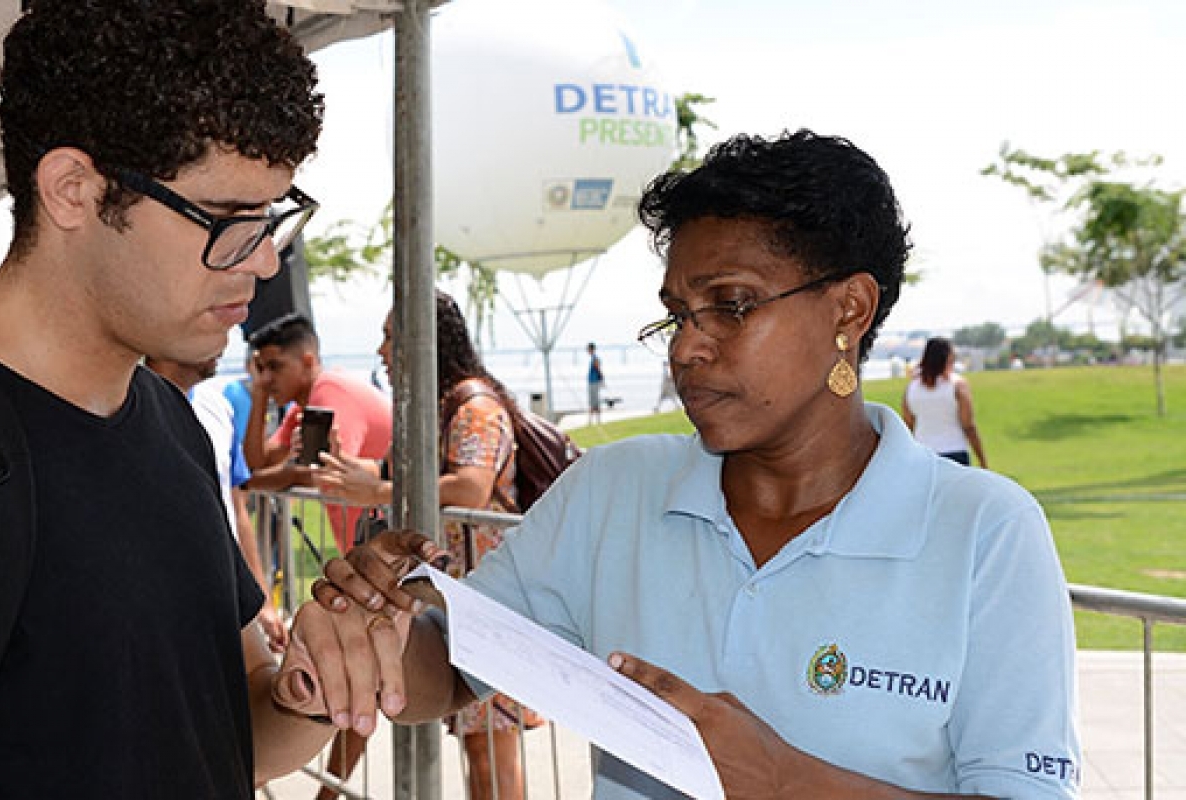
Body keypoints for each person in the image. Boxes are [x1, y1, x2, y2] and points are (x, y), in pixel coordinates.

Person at [276, 131, 1082, 799]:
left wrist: (781, 780)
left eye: (730, 305)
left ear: (850, 309)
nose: (688, 349)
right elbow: (454, 667)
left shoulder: (984, 534)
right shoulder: (613, 492)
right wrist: (369, 638)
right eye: (676, 315)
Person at [0, 1, 337, 796]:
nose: (260, 262)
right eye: (226, 219)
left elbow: (233, 736)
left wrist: (321, 681)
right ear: (73, 190)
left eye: (272, 218)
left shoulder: (172, 425)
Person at [309, 291, 537, 800]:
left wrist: (377, 490)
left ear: (424, 342)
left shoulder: (475, 405)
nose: (382, 351)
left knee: (490, 753)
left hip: (489, 603)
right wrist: (357, 475)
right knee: (479, 747)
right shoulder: (435, 410)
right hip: (456, 605)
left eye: (392, 337)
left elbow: (471, 487)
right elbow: (403, 477)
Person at [145, 351, 288, 651]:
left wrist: (260, 600)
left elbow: (236, 509)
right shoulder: (121, 405)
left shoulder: (217, 407)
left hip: (222, 603)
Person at [242, 312, 392, 559]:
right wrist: (259, 394)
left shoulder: (329, 392)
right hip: (366, 543)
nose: (267, 378)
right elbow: (257, 463)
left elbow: (318, 472)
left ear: (308, 362)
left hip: (386, 543)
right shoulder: (303, 408)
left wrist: (248, 483)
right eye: (261, 369)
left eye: (275, 367)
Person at [901, 337, 989, 468]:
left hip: (923, 456)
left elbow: (908, 426)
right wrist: (982, 460)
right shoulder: (958, 385)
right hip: (955, 453)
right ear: (948, 357)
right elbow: (969, 426)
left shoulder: (911, 388)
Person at [586, 341, 606, 425]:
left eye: (588, 349)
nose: (587, 350)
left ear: (591, 349)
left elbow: (599, 370)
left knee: (594, 402)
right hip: (592, 382)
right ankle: (592, 421)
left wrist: (602, 380)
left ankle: (595, 421)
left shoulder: (595, 358)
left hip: (594, 383)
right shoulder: (593, 358)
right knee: (593, 402)